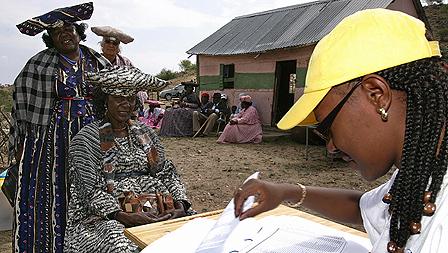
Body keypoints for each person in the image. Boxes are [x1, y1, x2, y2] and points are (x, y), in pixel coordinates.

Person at [234, 9, 447, 253]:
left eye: (327, 127)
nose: (331, 146)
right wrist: (286, 192)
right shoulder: (419, 170)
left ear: (377, 95)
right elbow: (365, 209)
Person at [10, 3, 111, 252]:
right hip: (51, 140)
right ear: (50, 39)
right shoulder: (39, 65)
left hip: (91, 135)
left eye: (69, 29)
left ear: (79, 32)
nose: (64, 35)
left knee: (92, 186)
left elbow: (115, 94)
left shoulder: (96, 61)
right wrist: (22, 142)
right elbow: (22, 103)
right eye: (57, 33)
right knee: (51, 192)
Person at [64, 66, 188, 253]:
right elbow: (88, 190)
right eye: (118, 98)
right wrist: (122, 216)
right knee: (120, 244)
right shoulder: (87, 138)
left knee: (188, 235)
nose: (126, 104)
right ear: (105, 101)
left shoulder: (145, 133)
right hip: (105, 216)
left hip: (158, 208)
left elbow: (166, 172)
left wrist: (180, 204)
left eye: (130, 99)